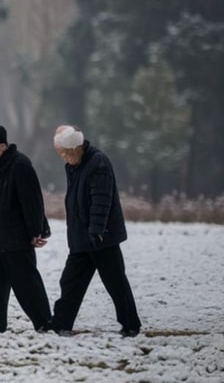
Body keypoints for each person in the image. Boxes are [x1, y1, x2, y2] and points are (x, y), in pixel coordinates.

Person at [48, 125, 142, 337]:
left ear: (75, 148)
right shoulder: (75, 163)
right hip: (81, 238)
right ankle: (61, 323)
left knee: (116, 283)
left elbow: (101, 202)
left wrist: (97, 231)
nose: (62, 157)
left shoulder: (98, 163)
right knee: (70, 282)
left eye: (64, 153)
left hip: (101, 238)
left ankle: (131, 325)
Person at [0, 124, 52, 333]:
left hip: (17, 239)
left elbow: (33, 202)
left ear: (0, 147)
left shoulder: (20, 166)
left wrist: (37, 231)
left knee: (27, 285)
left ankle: (45, 322)